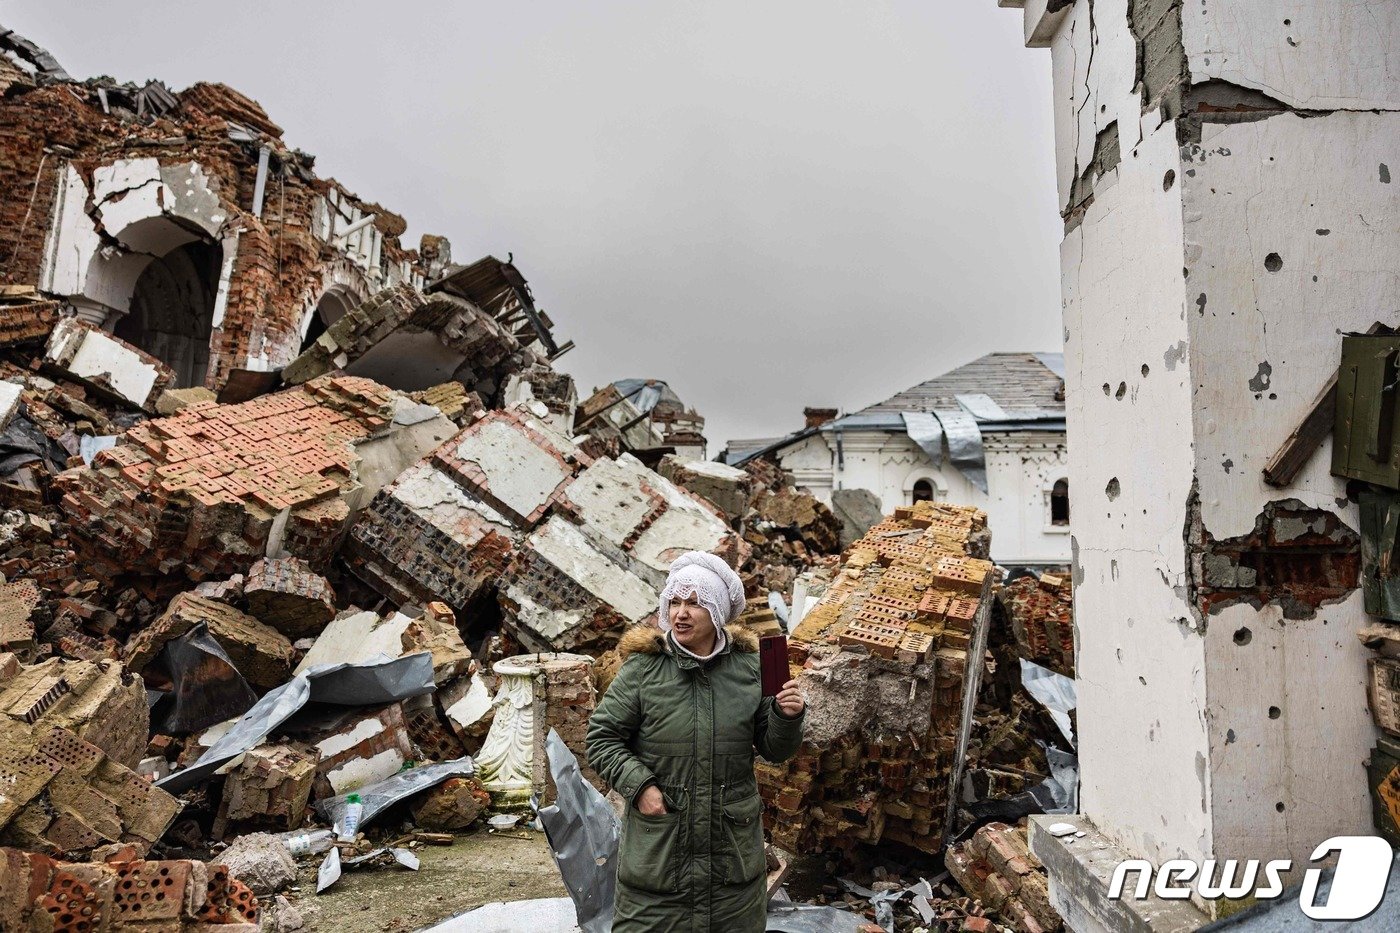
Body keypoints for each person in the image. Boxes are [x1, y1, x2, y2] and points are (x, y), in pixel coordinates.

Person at [586, 551, 806, 933]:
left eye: (694, 603)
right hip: (658, 866)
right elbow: (602, 738)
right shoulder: (644, 669)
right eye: (674, 602)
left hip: (731, 870)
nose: (681, 613)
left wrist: (787, 717)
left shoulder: (749, 669)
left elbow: (775, 750)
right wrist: (641, 787)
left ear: (717, 611)